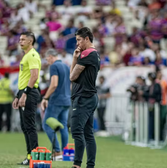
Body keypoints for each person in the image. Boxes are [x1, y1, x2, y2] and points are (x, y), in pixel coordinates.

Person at [70, 27, 100, 168]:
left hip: (84, 97)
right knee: (88, 134)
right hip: (89, 97)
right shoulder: (95, 54)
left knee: (76, 130)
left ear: (87, 39)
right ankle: (90, 165)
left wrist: (75, 59)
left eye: (79, 40)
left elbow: (72, 76)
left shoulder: (87, 54)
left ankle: (76, 165)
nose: (77, 44)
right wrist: (75, 58)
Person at [12, 32, 41, 165]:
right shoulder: (26, 56)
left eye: (23, 39)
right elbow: (24, 78)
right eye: (20, 39)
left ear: (30, 41)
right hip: (23, 92)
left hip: (29, 93)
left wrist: (24, 94)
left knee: (30, 126)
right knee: (25, 126)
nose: (20, 41)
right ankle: (30, 155)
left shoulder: (33, 55)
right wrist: (17, 95)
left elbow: (34, 76)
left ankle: (34, 157)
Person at [41, 48, 71, 160]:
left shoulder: (54, 66)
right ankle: (65, 153)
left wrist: (45, 97)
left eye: (46, 58)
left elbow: (54, 84)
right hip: (67, 99)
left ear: (51, 56)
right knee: (63, 126)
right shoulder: (66, 66)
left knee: (47, 124)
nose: (46, 61)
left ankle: (57, 151)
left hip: (56, 100)